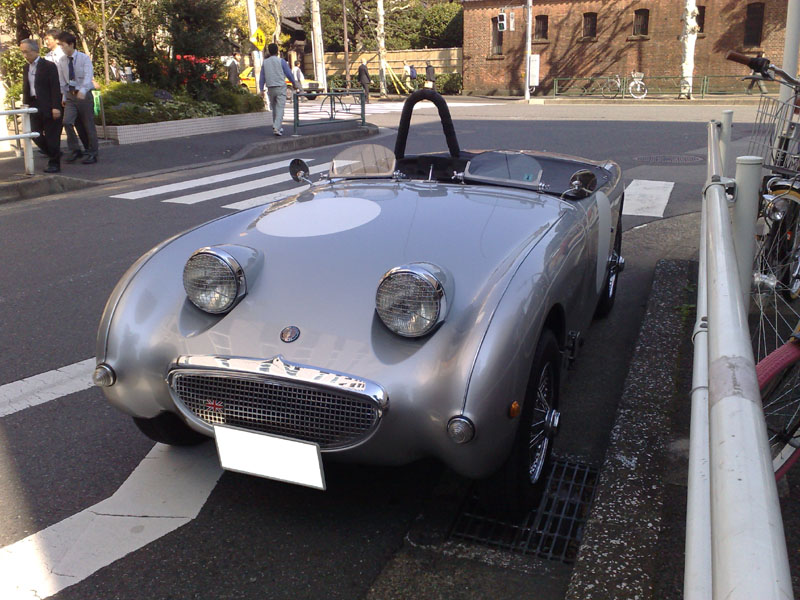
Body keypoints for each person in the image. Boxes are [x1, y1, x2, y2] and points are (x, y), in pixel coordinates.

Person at [20, 39, 62, 173]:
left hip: (48, 104)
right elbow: (26, 87)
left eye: (27, 52)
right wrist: (25, 105)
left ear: (35, 51)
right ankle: (53, 153)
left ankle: (54, 163)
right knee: (33, 132)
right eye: (22, 52)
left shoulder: (48, 66)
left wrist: (56, 106)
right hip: (33, 105)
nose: (25, 55)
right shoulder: (26, 67)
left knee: (52, 135)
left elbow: (55, 87)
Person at [57, 31, 99, 164]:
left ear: (71, 44)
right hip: (70, 95)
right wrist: (64, 96)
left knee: (87, 125)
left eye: (63, 45)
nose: (61, 48)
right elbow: (62, 80)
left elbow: (88, 76)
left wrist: (83, 89)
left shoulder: (83, 58)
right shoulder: (62, 61)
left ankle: (92, 152)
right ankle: (75, 149)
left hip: (84, 95)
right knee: (67, 122)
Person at [258, 43, 296, 136]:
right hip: (280, 87)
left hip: (270, 87)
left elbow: (262, 76)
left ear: (269, 51)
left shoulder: (265, 62)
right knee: (280, 108)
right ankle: (277, 127)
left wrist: (261, 89)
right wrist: (294, 83)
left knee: (274, 108)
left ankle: (277, 125)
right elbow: (289, 74)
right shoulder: (281, 61)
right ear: (277, 51)